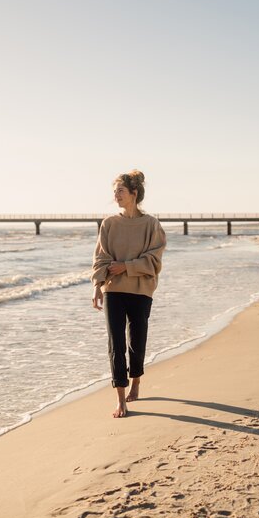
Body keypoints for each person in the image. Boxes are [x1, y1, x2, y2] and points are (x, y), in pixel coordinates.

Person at [92, 170, 166, 418]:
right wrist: (97, 285)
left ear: (134, 194)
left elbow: (154, 259)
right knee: (116, 343)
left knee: (137, 340)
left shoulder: (151, 225)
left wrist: (127, 266)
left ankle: (136, 381)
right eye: (114, 191)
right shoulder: (109, 224)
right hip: (113, 288)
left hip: (141, 290)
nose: (116, 195)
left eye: (120, 190)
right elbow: (101, 256)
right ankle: (120, 399)